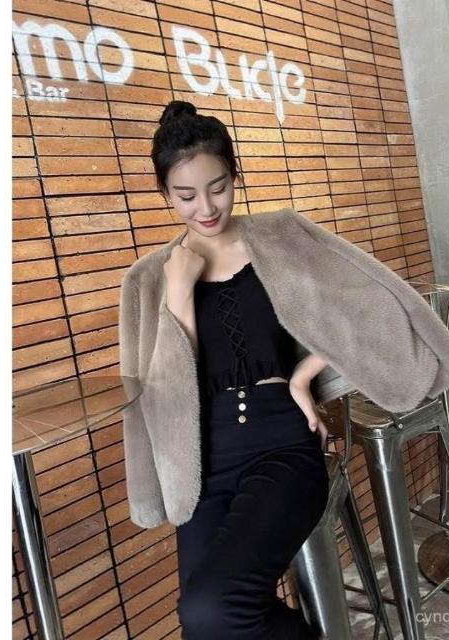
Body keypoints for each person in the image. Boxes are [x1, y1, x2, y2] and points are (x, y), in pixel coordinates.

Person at [147, 99, 331, 639]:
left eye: (218, 187)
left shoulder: (279, 239)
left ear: (235, 174)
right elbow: (170, 384)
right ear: (166, 194)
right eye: (186, 196)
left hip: (282, 442)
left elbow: (362, 311)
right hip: (206, 459)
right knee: (203, 624)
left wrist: (303, 376)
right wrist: (179, 293)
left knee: (211, 612)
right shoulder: (157, 274)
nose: (206, 207)